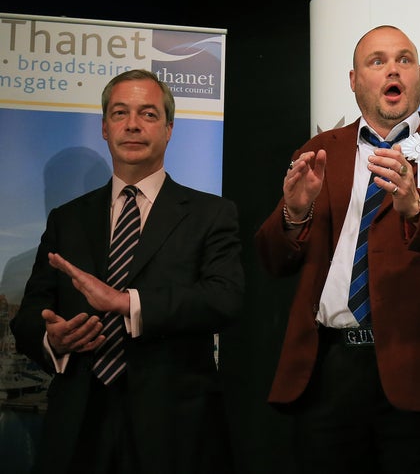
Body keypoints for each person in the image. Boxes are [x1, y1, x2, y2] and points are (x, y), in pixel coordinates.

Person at [255, 24, 420, 474]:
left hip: (419, 370)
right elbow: (272, 260)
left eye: (404, 60)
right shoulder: (319, 151)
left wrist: (416, 208)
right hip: (327, 371)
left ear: (419, 75)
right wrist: (294, 212)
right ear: (353, 80)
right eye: (378, 61)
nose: (393, 70)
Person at [10, 69, 245, 474]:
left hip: (174, 428)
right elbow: (29, 314)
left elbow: (224, 299)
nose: (133, 124)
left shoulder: (211, 214)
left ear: (169, 129)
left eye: (149, 114)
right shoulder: (67, 220)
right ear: (104, 128)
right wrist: (52, 338)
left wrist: (127, 303)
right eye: (120, 113)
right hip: (79, 424)